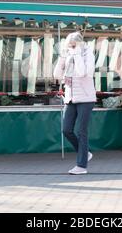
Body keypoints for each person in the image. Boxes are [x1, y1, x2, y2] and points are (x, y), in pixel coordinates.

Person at [53, 31, 96, 175]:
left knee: (81, 131)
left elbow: (82, 72)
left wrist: (77, 55)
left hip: (85, 98)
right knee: (66, 130)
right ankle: (85, 153)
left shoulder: (87, 54)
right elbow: (57, 75)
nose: (71, 47)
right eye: (69, 45)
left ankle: (81, 166)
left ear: (79, 44)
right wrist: (62, 58)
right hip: (70, 97)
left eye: (73, 45)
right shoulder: (68, 54)